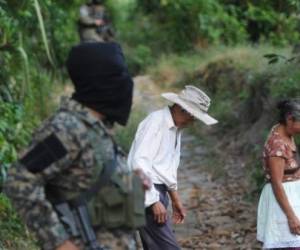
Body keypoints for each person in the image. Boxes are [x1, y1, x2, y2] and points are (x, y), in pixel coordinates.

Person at [4, 42, 148, 250]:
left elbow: (84, 180)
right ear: (98, 80)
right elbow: (19, 180)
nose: (125, 83)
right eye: (117, 75)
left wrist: (127, 181)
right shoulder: (66, 128)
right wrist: (59, 242)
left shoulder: (96, 127)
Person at [127, 85, 218, 250]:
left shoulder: (176, 129)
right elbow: (139, 162)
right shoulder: (156, 122)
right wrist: (152, 201)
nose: (193, 121)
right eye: (193, 116)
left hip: (156, 191)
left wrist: (175, 199)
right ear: (182, 109)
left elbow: (166, 169)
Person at [257, 99, 300, 249]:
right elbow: (277, 183)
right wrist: (291, 216)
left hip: (292, 199)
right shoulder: (277, 145)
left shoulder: (286, 134)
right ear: (289, 119)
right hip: (282, 204)